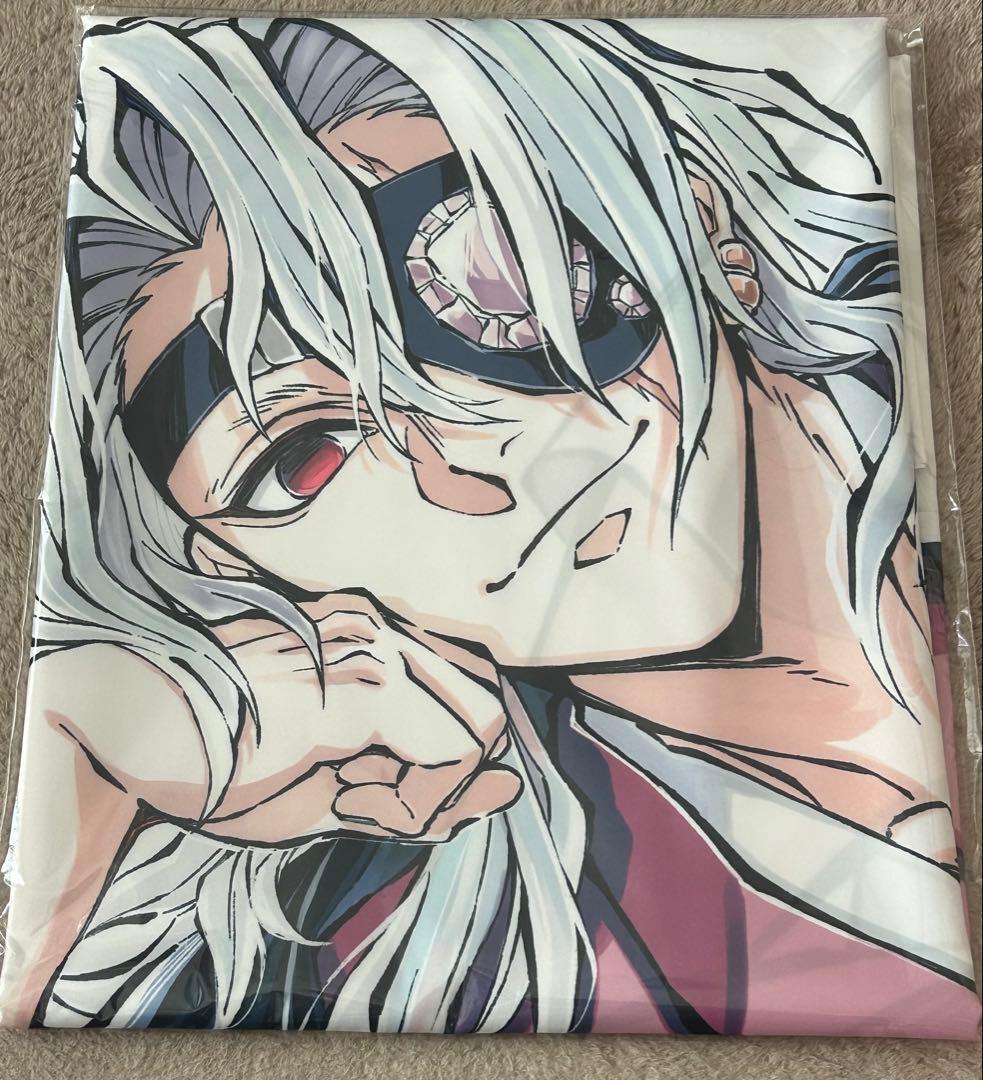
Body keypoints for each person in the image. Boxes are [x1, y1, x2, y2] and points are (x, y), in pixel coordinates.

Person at [0, 16, 976, 1033]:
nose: (467, 467)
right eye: (303, 457)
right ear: (229, 558)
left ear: (685, 216)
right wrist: (88, 734)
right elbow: (54, 991)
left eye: (477, 280)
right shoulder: (410, 913)